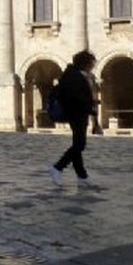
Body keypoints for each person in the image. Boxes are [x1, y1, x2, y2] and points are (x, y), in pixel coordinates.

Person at [50, 50, 100, 189]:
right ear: (85, 63)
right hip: (76, 114)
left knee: (78, 144)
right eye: (91, 63)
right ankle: (58, 167)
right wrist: (90, 106)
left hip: (78, 113)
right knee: (80, 145)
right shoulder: (74, 76)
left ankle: (82, 176)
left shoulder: (75, 74)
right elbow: (76, 96)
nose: (92, 66)